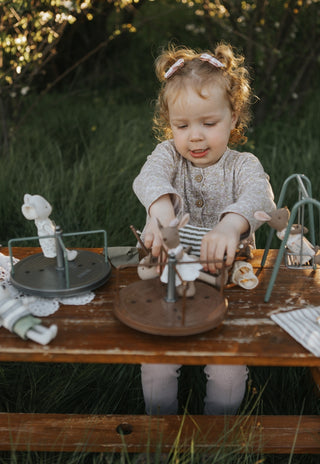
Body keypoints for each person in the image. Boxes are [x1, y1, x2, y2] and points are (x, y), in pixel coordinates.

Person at [133, 43, 275, 415]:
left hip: (228, 282)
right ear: (170, 126)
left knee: (227, 365)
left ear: (233, 119)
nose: (195, 136)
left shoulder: (242, 164)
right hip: (171, 279)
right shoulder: (168, 156)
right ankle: (160, 436)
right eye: (182, 126)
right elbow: (148, 178)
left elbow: (259, 194)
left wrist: (231, 226)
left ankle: (219, 437)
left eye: (208, 124)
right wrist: (160, 211)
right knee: (157, 361)